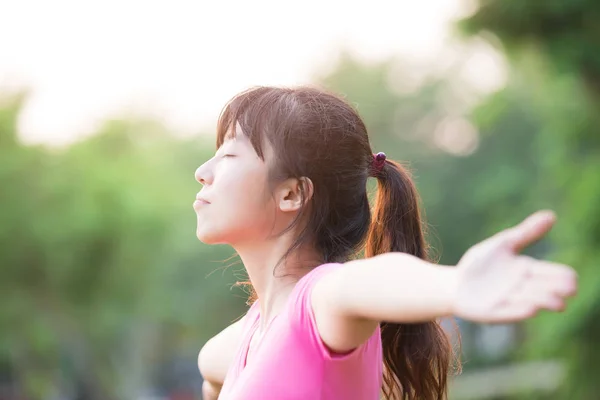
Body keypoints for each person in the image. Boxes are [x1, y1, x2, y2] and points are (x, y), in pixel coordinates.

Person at [194, 86, 577, 400]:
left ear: (292, 194)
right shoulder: (251, 334)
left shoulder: (319, 299)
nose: (202, 173)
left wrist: (454, 284)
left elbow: (374, 278)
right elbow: (209, 364)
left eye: (228, 154)